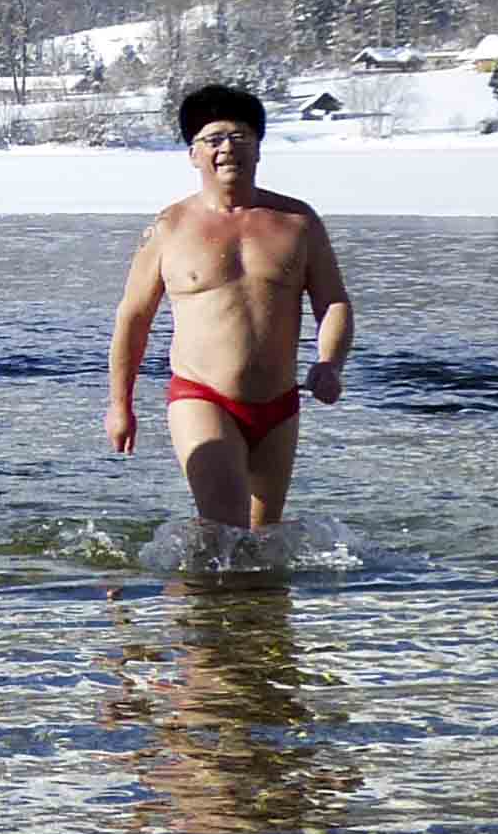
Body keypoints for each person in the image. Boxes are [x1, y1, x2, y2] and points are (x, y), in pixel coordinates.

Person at [106, 83, 355, 530]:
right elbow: (133, 318)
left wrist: (329, 363)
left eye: (240, 137)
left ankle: (226, 601)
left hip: (279, 404)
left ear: (259, 148)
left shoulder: (298, 222)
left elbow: (333, 301)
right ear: (193, 154)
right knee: (224, 525)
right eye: (213, 139)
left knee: (264, 541)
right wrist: (120, 405)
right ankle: (192, 597)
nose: (227, 149)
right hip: (202, 396)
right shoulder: (170, 227)